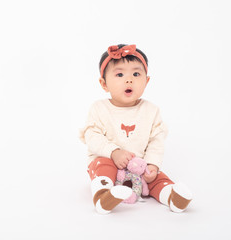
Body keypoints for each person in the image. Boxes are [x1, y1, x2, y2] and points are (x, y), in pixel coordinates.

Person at [79, 44, 192, 214]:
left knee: (156, 177)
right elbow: (92, 137)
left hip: (138, 167)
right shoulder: (99, 109)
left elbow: (157, 140)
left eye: (136, 74)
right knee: (103, 165)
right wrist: (114, 152)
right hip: (108, 162)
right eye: (119, 74)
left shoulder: (151, 111)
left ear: (146, 81)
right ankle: (103, 196)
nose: (129, 79)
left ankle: (172, 196)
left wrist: (152, 164)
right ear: (104, 84)